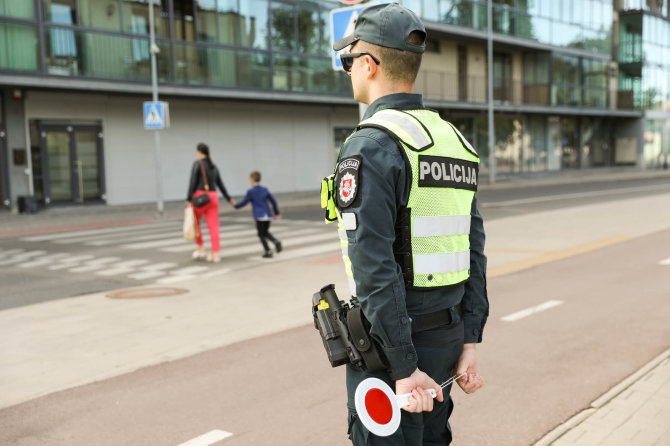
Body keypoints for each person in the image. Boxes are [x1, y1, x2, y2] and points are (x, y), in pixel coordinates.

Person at [326, 3, 489, 444]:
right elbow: (473, 249)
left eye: (347, 61)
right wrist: (470, 340)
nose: (347, 72)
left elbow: (374, 264)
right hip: (448, 337)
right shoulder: (453, 140)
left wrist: (402, 367)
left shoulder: (371, 144)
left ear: (368, 64)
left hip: (394, 347)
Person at [186, 143, 235, 263]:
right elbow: (220, 184)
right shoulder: (214, 167)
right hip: (213, 197)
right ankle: (215, 254)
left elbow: (192, 182)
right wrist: (229, 199)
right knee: (214, 226)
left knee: (195, 223)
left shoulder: (197, 164)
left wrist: (188, 198)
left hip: (200, 197)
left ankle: (201, 248)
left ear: (199, 152)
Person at [234, 171, 282, 258]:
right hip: (268, 215)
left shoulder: (251, 191)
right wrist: (277, 213)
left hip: (259, 215)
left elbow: (244, 202)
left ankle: (268, 251)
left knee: (260, 234)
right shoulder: (265, 189)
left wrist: (236, 205)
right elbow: (273, 201)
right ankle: (275, 241)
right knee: (265, 232)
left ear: (252, 180)